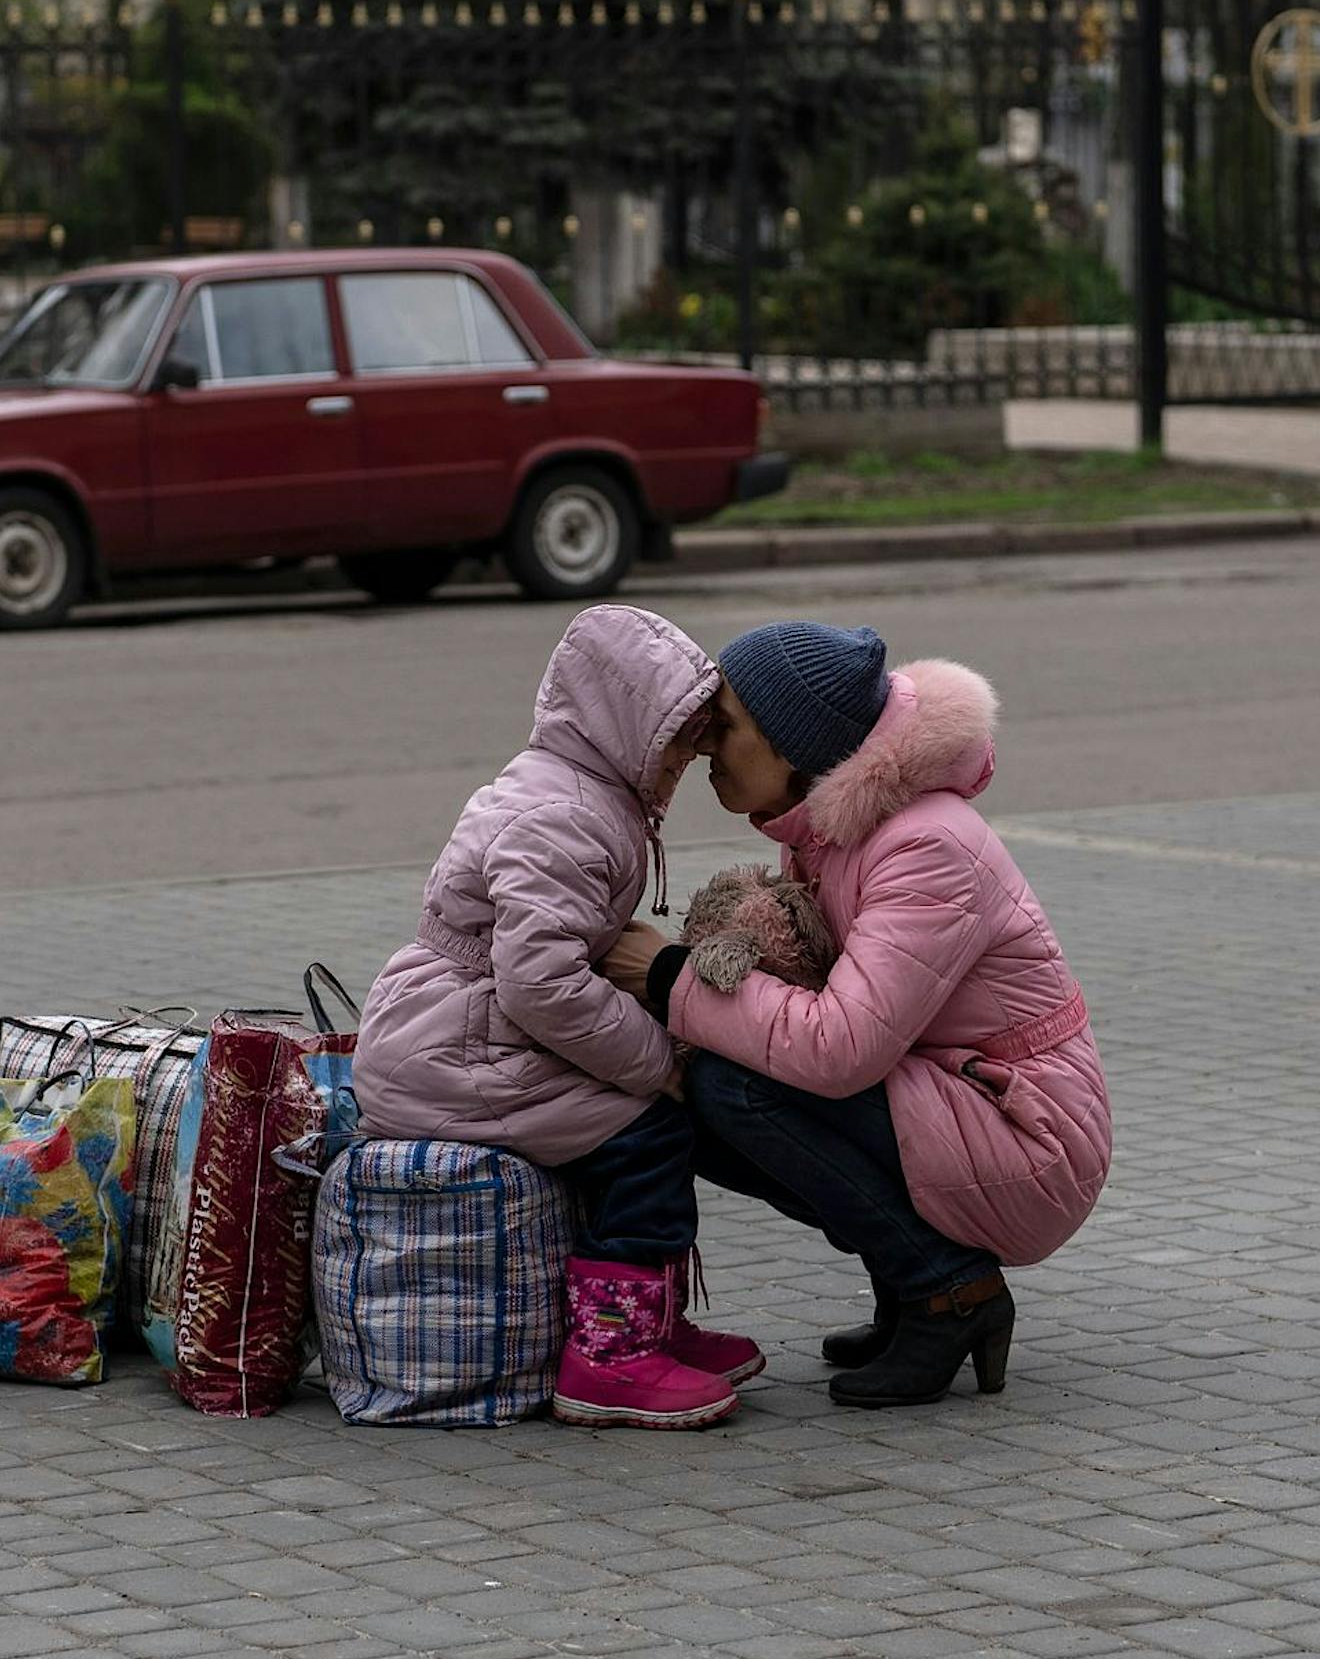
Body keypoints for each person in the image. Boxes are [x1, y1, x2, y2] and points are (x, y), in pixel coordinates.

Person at [605, 620, 1112, 1409]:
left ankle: (949, 1292)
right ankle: (906, 1277)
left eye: (728, 725)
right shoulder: (834, 830)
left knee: (738, 1091)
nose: (707, 746)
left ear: (793, 743)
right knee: (699, 1099)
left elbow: (842, 1049)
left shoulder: (925, 846)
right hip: (961, 1095)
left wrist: (670, 977)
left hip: (1031, 1132)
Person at [353, 604, 762, 1430]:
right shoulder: (566, 818)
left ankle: (648, 1321)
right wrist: (659, 1059)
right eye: (676, 740)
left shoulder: (576, 788)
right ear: (626, 730)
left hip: (462, 1032)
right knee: (648, 1133)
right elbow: (541, 986)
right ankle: (613, 1357)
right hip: (456, 1048)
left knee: (632, 1129)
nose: (688, 761)